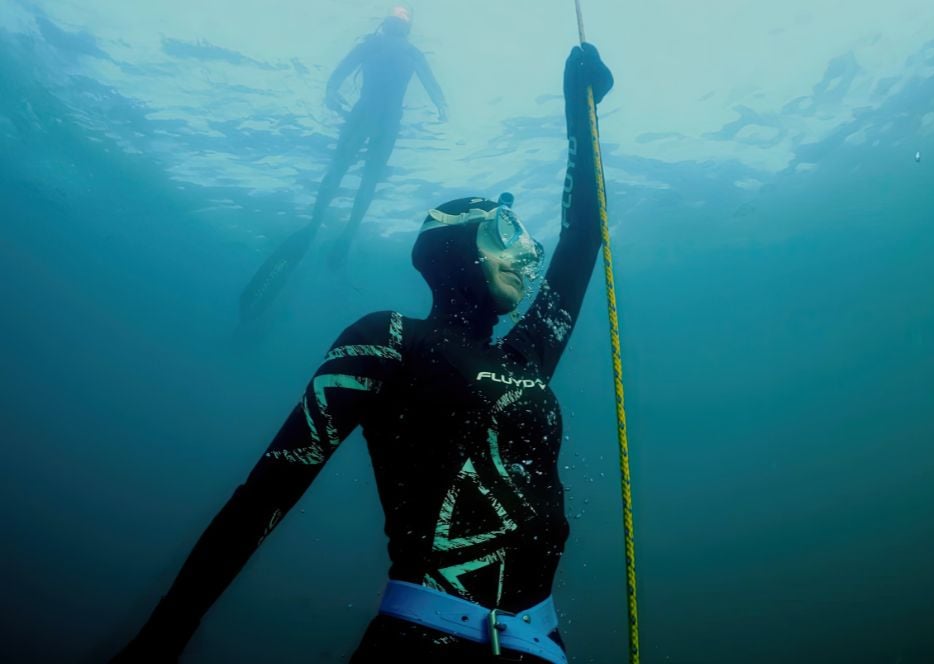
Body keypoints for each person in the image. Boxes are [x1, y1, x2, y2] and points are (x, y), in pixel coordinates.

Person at [114, 43, 613, 663]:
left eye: (527, 243)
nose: (526, 254)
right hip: (419, 644)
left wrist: (581, 115)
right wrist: (163, 637)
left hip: (545, 649)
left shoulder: (528, 355)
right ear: (454, 245)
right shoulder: (388, 340)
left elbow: (583, 237)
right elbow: (268, 492)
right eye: (503, 234)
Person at [237, 5, 447, 323]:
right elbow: (341, 71)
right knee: (342, 171)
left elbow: (430, 82)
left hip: (383, 119)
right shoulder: (374, 45)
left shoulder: (404, 51)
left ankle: (344, 231)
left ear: (408, 24)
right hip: (369, 114)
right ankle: (318, 223)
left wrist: (441, 103)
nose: (399, 17)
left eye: (404, 14)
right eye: (397, 12)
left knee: (364, 178)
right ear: (390, 20)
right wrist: (330, 90)